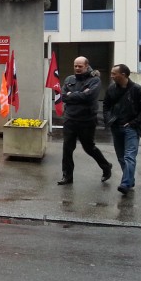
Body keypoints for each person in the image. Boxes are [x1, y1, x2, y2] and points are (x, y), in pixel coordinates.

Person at [58, 57, 113, 185]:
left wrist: (72, 95)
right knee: (67, 149)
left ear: (86, 66)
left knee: (89, 148)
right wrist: (79, 94)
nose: (77, 68)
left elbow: (89, 97)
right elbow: (63, 96)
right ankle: (67, 176)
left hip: (87, 120)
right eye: (75, 66)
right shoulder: (69, 79)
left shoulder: (94, 80)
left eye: (80, 66)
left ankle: (106, 166)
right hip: (70, 119)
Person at [103, 63, 141, 194]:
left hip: (132, 128)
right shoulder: (111, 89)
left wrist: (133, 122)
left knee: (129, 156)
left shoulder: (137, 90)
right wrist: (108, 119)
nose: (111, 76)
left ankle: (125, 184)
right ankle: (129, 180)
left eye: (114, 74)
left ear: (123, 75)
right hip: (116, 127)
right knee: (121, 157)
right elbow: (106, 106)